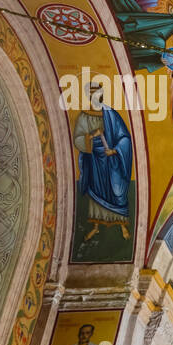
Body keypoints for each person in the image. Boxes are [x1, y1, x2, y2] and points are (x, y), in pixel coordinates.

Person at [73, 84, 132, 242]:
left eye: (98, 96)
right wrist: (91, 137)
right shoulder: (84, 116)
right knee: (97, 191)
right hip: (94, 159)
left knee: (116, 191)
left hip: (111, 160)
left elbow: (125, 138)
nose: (96, 99)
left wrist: (114, 151)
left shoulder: (111, 114)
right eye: (92, 96)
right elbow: (78, 138)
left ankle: (122, 225)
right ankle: (96, 227)